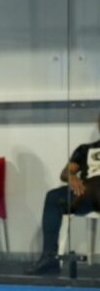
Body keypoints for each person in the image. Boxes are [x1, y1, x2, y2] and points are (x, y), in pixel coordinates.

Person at [26, 113, 100, 275]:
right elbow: (65, 172)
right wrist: (72, 177)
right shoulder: (85, 149)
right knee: (54, 196)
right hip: (87, 192)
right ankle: (49, 258)